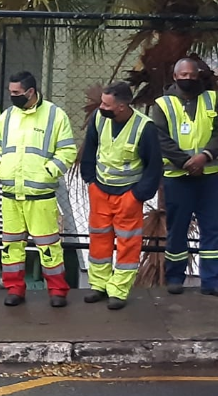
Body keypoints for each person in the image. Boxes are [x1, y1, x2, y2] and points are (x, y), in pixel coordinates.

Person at [0, 71, 77, 307]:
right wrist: (0, 165)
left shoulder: (55, 116)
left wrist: (48, 171)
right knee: (11, 247)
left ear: (30, 92)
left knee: (48, 246)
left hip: (41, 195)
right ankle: (14, 289)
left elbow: (68, 151)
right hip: (11, 193)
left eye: (16, 93)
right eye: (10, 92)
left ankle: (57, 291)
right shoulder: (6, 117)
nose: (12, 96)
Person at [81, 82, 162, 309]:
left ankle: (118, 290)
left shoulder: (144, 128)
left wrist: (137, 195)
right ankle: (98, 285)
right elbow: (90, 149)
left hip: (128, 195)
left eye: (107, 104)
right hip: (100, 191)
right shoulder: (99, 118)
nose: (101, 107)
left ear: (122, 106)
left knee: (128, 243)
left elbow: (153, 167)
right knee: (99, 240)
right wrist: (90, 181)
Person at [152, 58, 218, 296]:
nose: (188, 79)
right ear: (175, 77)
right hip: (177, 176)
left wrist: (205, 156)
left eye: (192, 74)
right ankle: (175, 278)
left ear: (199, 75)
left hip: (210, 175)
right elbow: (159, 137)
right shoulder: (162, 104)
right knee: (177, 230)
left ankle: (211, 281)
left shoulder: (213, 98)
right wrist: (186, 162)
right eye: (184, 75)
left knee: (212, 229)